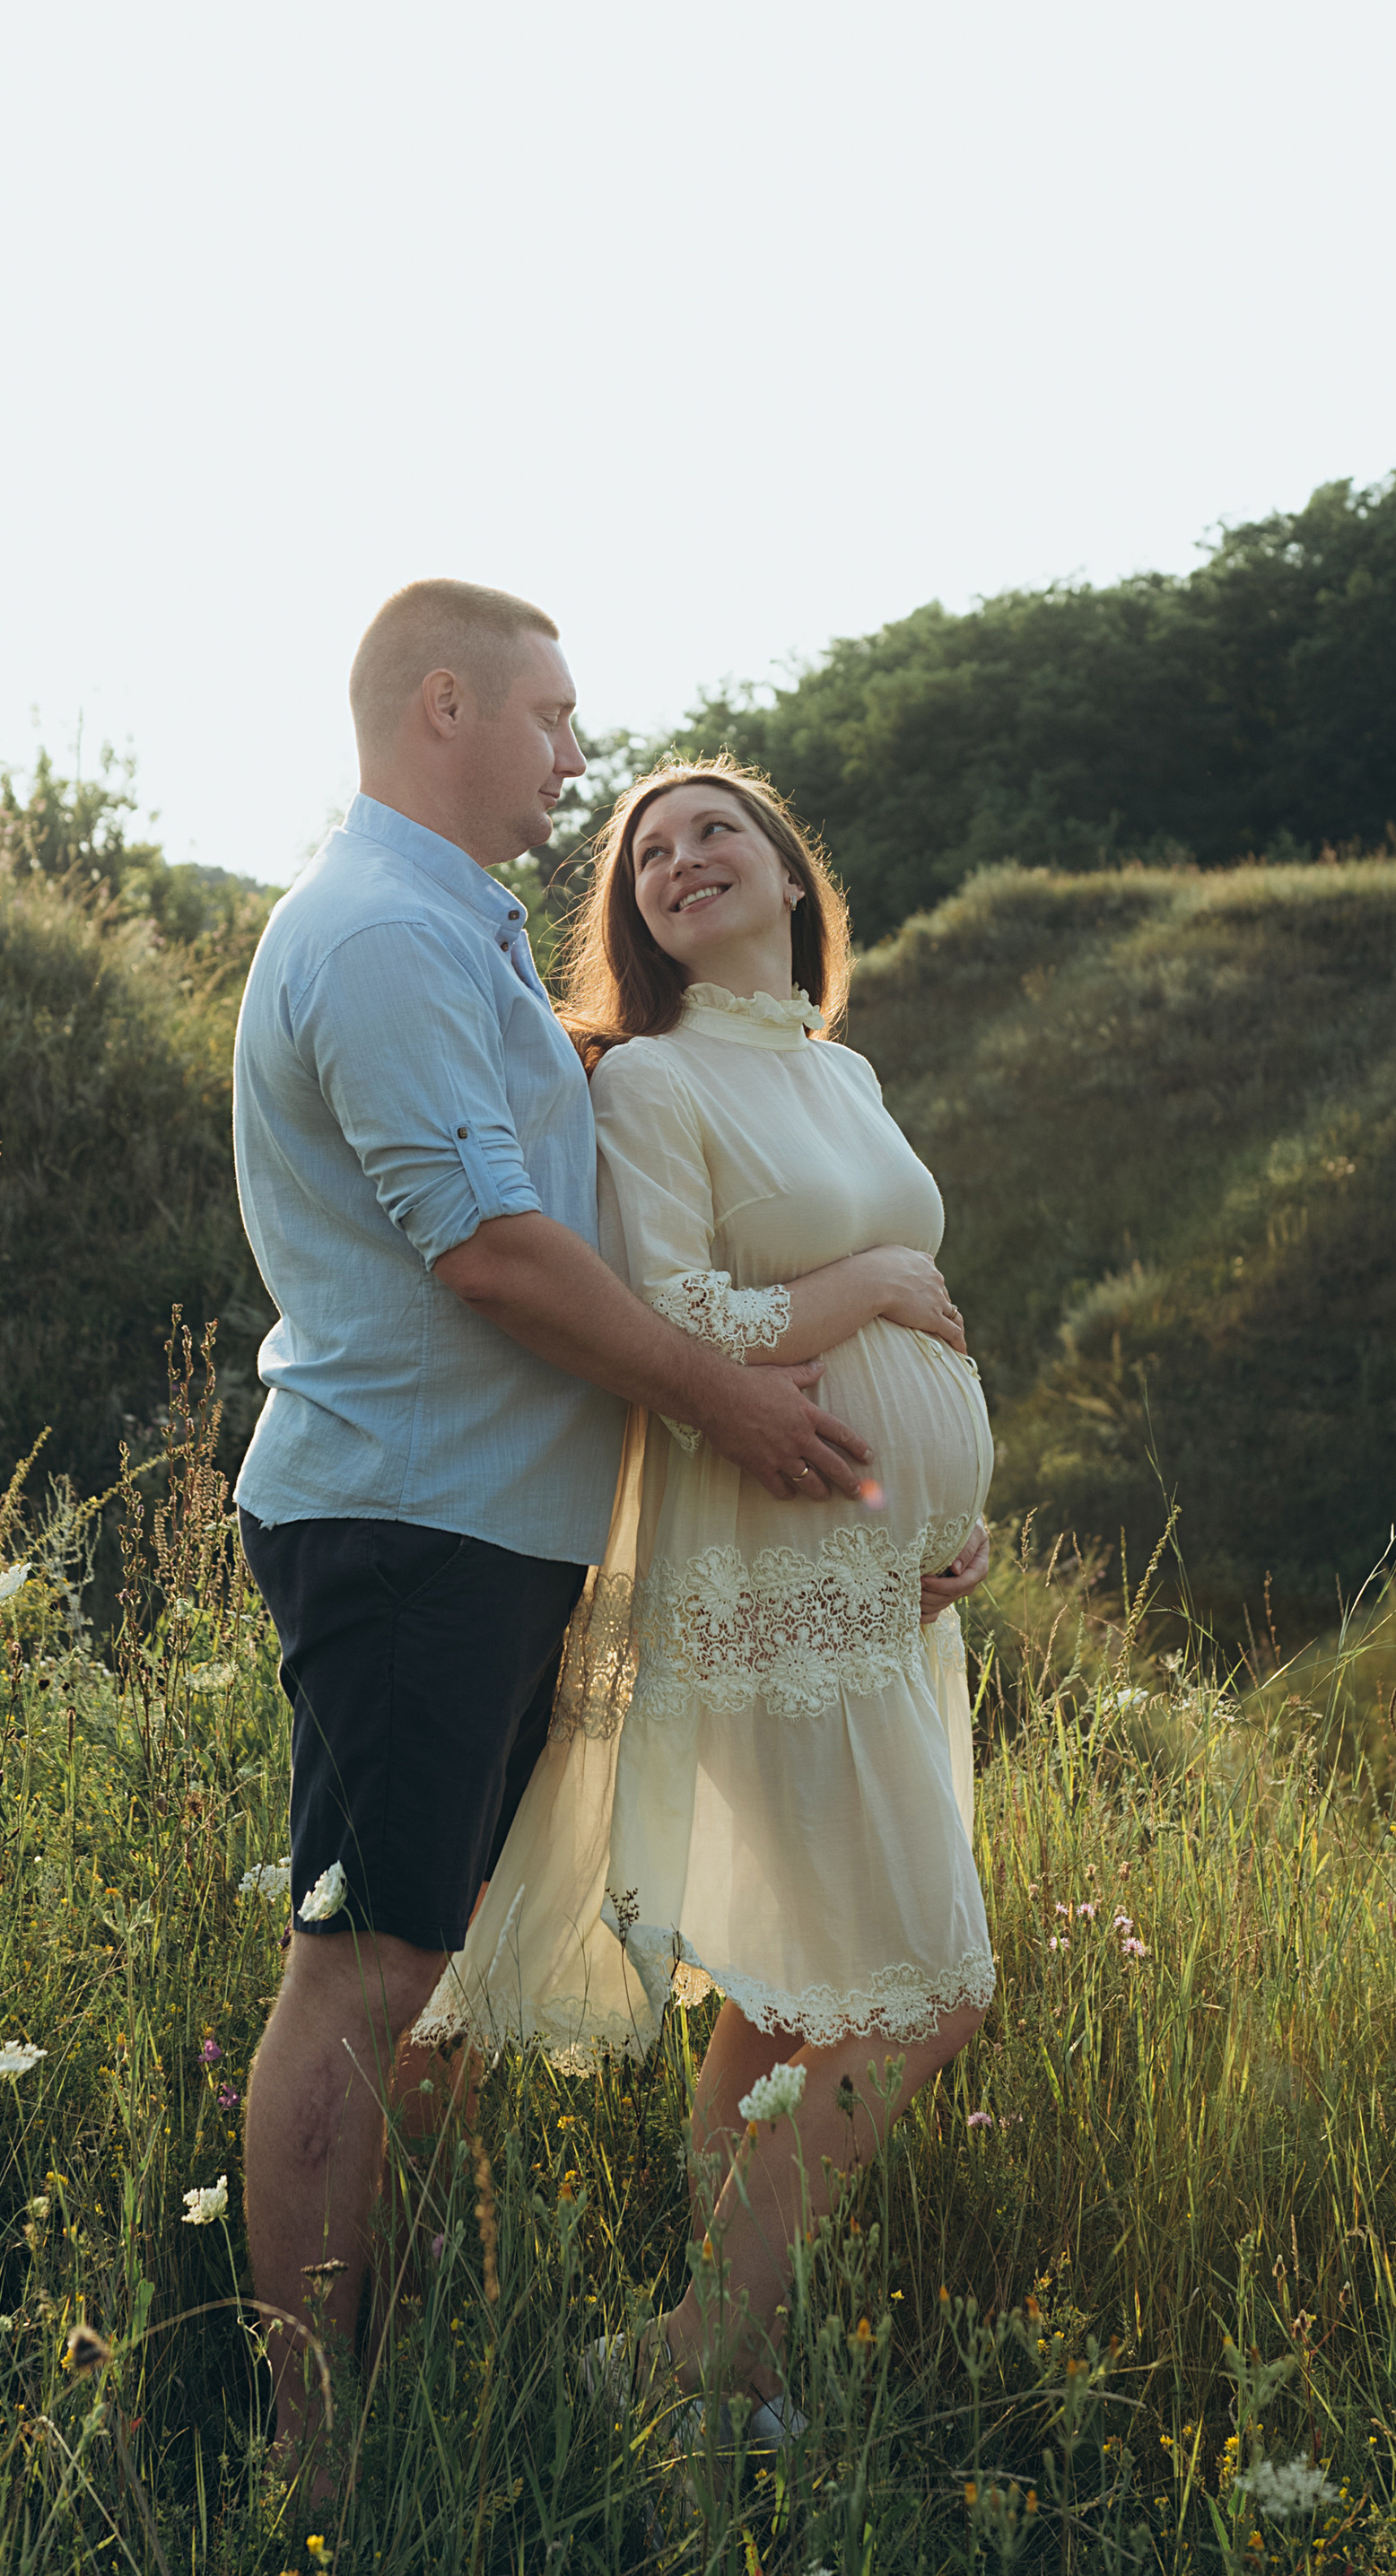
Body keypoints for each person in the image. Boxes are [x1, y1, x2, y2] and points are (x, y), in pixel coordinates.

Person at [231, 584, 874, 2474]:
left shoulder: (449, 930)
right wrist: (718, 1394)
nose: (576, 757)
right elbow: (496, 1250)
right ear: (447, 705)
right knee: (363, 1971)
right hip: (410, 1523)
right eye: (552, 716)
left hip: (482, 1530)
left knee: (419, 1975)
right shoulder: (376, 938)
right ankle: (307, 2444)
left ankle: (390, 2368)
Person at [422, 757, 995, 2432]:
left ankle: (722, 2365)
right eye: (650, 848)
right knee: (925, 1993)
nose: (683, 859)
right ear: (634, 911)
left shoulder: (849, 1069)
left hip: (887, 1580)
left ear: (791, 877)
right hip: (766, 1575)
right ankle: (679, 2357)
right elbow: (665, 1315)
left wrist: (956, 1514)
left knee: (790, 1984)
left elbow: (923, 1328)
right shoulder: (653, 1087)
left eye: (716, 831)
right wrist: (869, 1278)